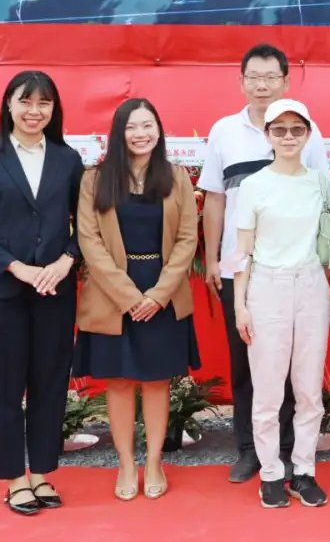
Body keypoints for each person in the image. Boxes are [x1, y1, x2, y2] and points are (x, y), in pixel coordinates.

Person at [0, 71, 84, 515]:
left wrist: (67, 260)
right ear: (8, 104)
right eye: (25, 101)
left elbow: (88, 224)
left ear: (54, 109)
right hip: (1, 293)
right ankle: (14, 478)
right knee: (5, 387)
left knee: (49, 383)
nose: (34, 111)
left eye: (44, 103)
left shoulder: (68, 159)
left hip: (54, 292)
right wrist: (14, 266)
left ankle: (41, 471)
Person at [198, 44, 327, 483]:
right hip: (241, 269)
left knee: (294, 366)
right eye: (254, 77)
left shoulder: (307, 132)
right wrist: (212, 257)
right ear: (241, 82)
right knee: (247, 365)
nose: (262, 85)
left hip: (295, 270)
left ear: (286, 81)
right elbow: (215, 199)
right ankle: (249, 449)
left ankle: (289, 451)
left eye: (271, 77)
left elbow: (322, 199)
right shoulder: (224, 131)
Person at [73, 98, 200, 501]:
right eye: (132, 127)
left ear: (159, 130)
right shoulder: (95, 180)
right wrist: (129, 297)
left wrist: (158, 294)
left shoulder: (177, 177)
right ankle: (126, 463)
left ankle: (155, 461)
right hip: (113, 295)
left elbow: (187, 239)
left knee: (158, 381)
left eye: (148, 125)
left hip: (164, 293)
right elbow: (89, 241)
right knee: (120, 381)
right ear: (119, 132)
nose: (140, 134)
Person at [225, 99, 330, 508]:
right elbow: (242, 251)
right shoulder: (253, 185)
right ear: (268, 135)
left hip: (311, 285)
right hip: (266, 288)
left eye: (297, 129)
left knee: (309, 390)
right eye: (280, 130)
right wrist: (240, 305)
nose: (288, 137)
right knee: (267, 390)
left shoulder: (321, 182)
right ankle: (271, 473)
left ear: (308, 134)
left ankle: (304, 470)